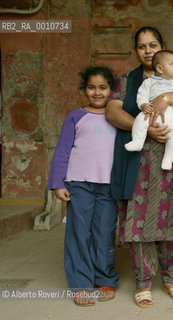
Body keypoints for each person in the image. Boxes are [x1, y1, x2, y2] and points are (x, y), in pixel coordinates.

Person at [105, 26, 173, 308]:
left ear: (162, 47)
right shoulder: (129, 79)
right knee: (140, 219)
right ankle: (143, 282)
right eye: (141, 46)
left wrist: (166, 98)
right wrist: (146, 131)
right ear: (136, 51)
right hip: (141, 160)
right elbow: (112, 111)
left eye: (152, 44)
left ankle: (171, 278)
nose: (147, 50)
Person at [47, 66, 118, 306]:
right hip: (79, 184)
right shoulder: (75, 116)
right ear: (84, 89)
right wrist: (58, 183)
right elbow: (63, 151)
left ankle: (105, 278)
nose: (97, 92)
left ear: (111, 90)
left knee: (104, 233)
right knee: (79, 233)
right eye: (91, 87)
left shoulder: (117, 116)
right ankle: (81, 284)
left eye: (102, 87)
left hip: (109, 186)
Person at [125, 50, 173, 171]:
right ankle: (137, 141)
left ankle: (168, 159)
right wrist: (143, 105)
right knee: (140, 120)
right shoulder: (149, 82)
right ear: (160, 68)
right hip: (152, 114)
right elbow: (141, 94)